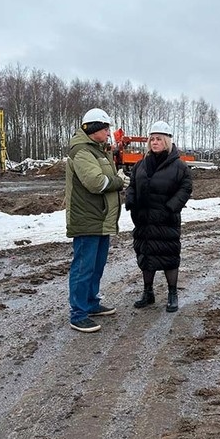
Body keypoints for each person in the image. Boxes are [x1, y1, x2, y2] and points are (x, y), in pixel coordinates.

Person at [65, 108, 129, 333]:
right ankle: (78, 313)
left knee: (96, 265)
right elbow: (96, 182)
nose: (108, 131)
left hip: (100, 219)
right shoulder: (82, 151)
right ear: (94, 129)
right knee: (83, 267)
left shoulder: (99, 151)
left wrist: (113, 178)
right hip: (87, 219)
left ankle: (91, 303)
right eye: (105, 128)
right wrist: (118, 181)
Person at [125, 121, 193, 312]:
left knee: (169, 256)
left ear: (167, 141)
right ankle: (148, 293)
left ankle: (172, 293)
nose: (154, 142)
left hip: (166, 220)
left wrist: (172, 207)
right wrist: (131, 202)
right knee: (145, 255)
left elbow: (186, 187)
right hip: (144, 220)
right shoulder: (141, 164)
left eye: (159, 139)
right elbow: (132, 185)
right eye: (152, 139)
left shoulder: (179, 166)